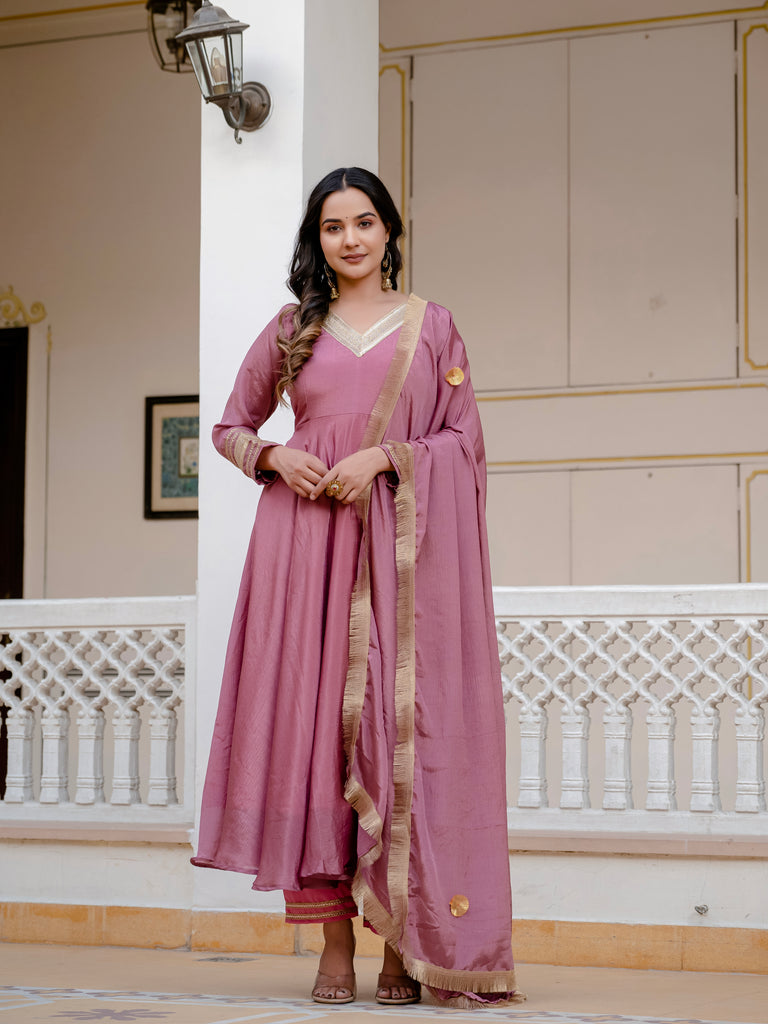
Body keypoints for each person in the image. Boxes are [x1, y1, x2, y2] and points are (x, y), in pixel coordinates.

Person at [192, 167, 523, 1008]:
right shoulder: (292, 328)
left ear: (388, 231)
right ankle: (334, 943)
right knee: (314, 737)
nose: (350, 239)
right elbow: (228, 426)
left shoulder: (431, 326)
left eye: (365, 222)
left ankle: (399, 942)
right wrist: (275, 455)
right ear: (318, 238)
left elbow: (463, 441)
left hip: (400, 555)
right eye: (333, 226)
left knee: (394, 725)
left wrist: (385, 456)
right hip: (306, 548)